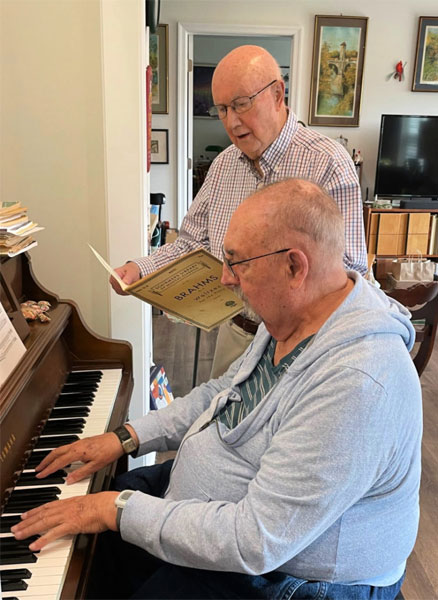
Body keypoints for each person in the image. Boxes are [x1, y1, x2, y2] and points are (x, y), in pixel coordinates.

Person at [13, 179, 421, 600]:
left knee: (105, 517)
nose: (225, 278)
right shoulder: (298, 315)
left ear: (295, 267)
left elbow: (256, 540)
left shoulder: (357, 382)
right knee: (95, 538)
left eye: (236, 262)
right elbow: (226, 392)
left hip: (289, 576)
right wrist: (128, 436)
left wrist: (114, 510)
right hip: (230, 513)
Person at [111, 45, 368, 377]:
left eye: (242, 104)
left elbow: (351, 271)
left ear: (278, 94)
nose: (232, 122)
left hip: (304, 346)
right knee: (220, 421)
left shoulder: (328, 163)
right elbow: (191, 243)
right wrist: (139, 269)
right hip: (235, 332)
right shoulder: (222, 166)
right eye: (221, 109)